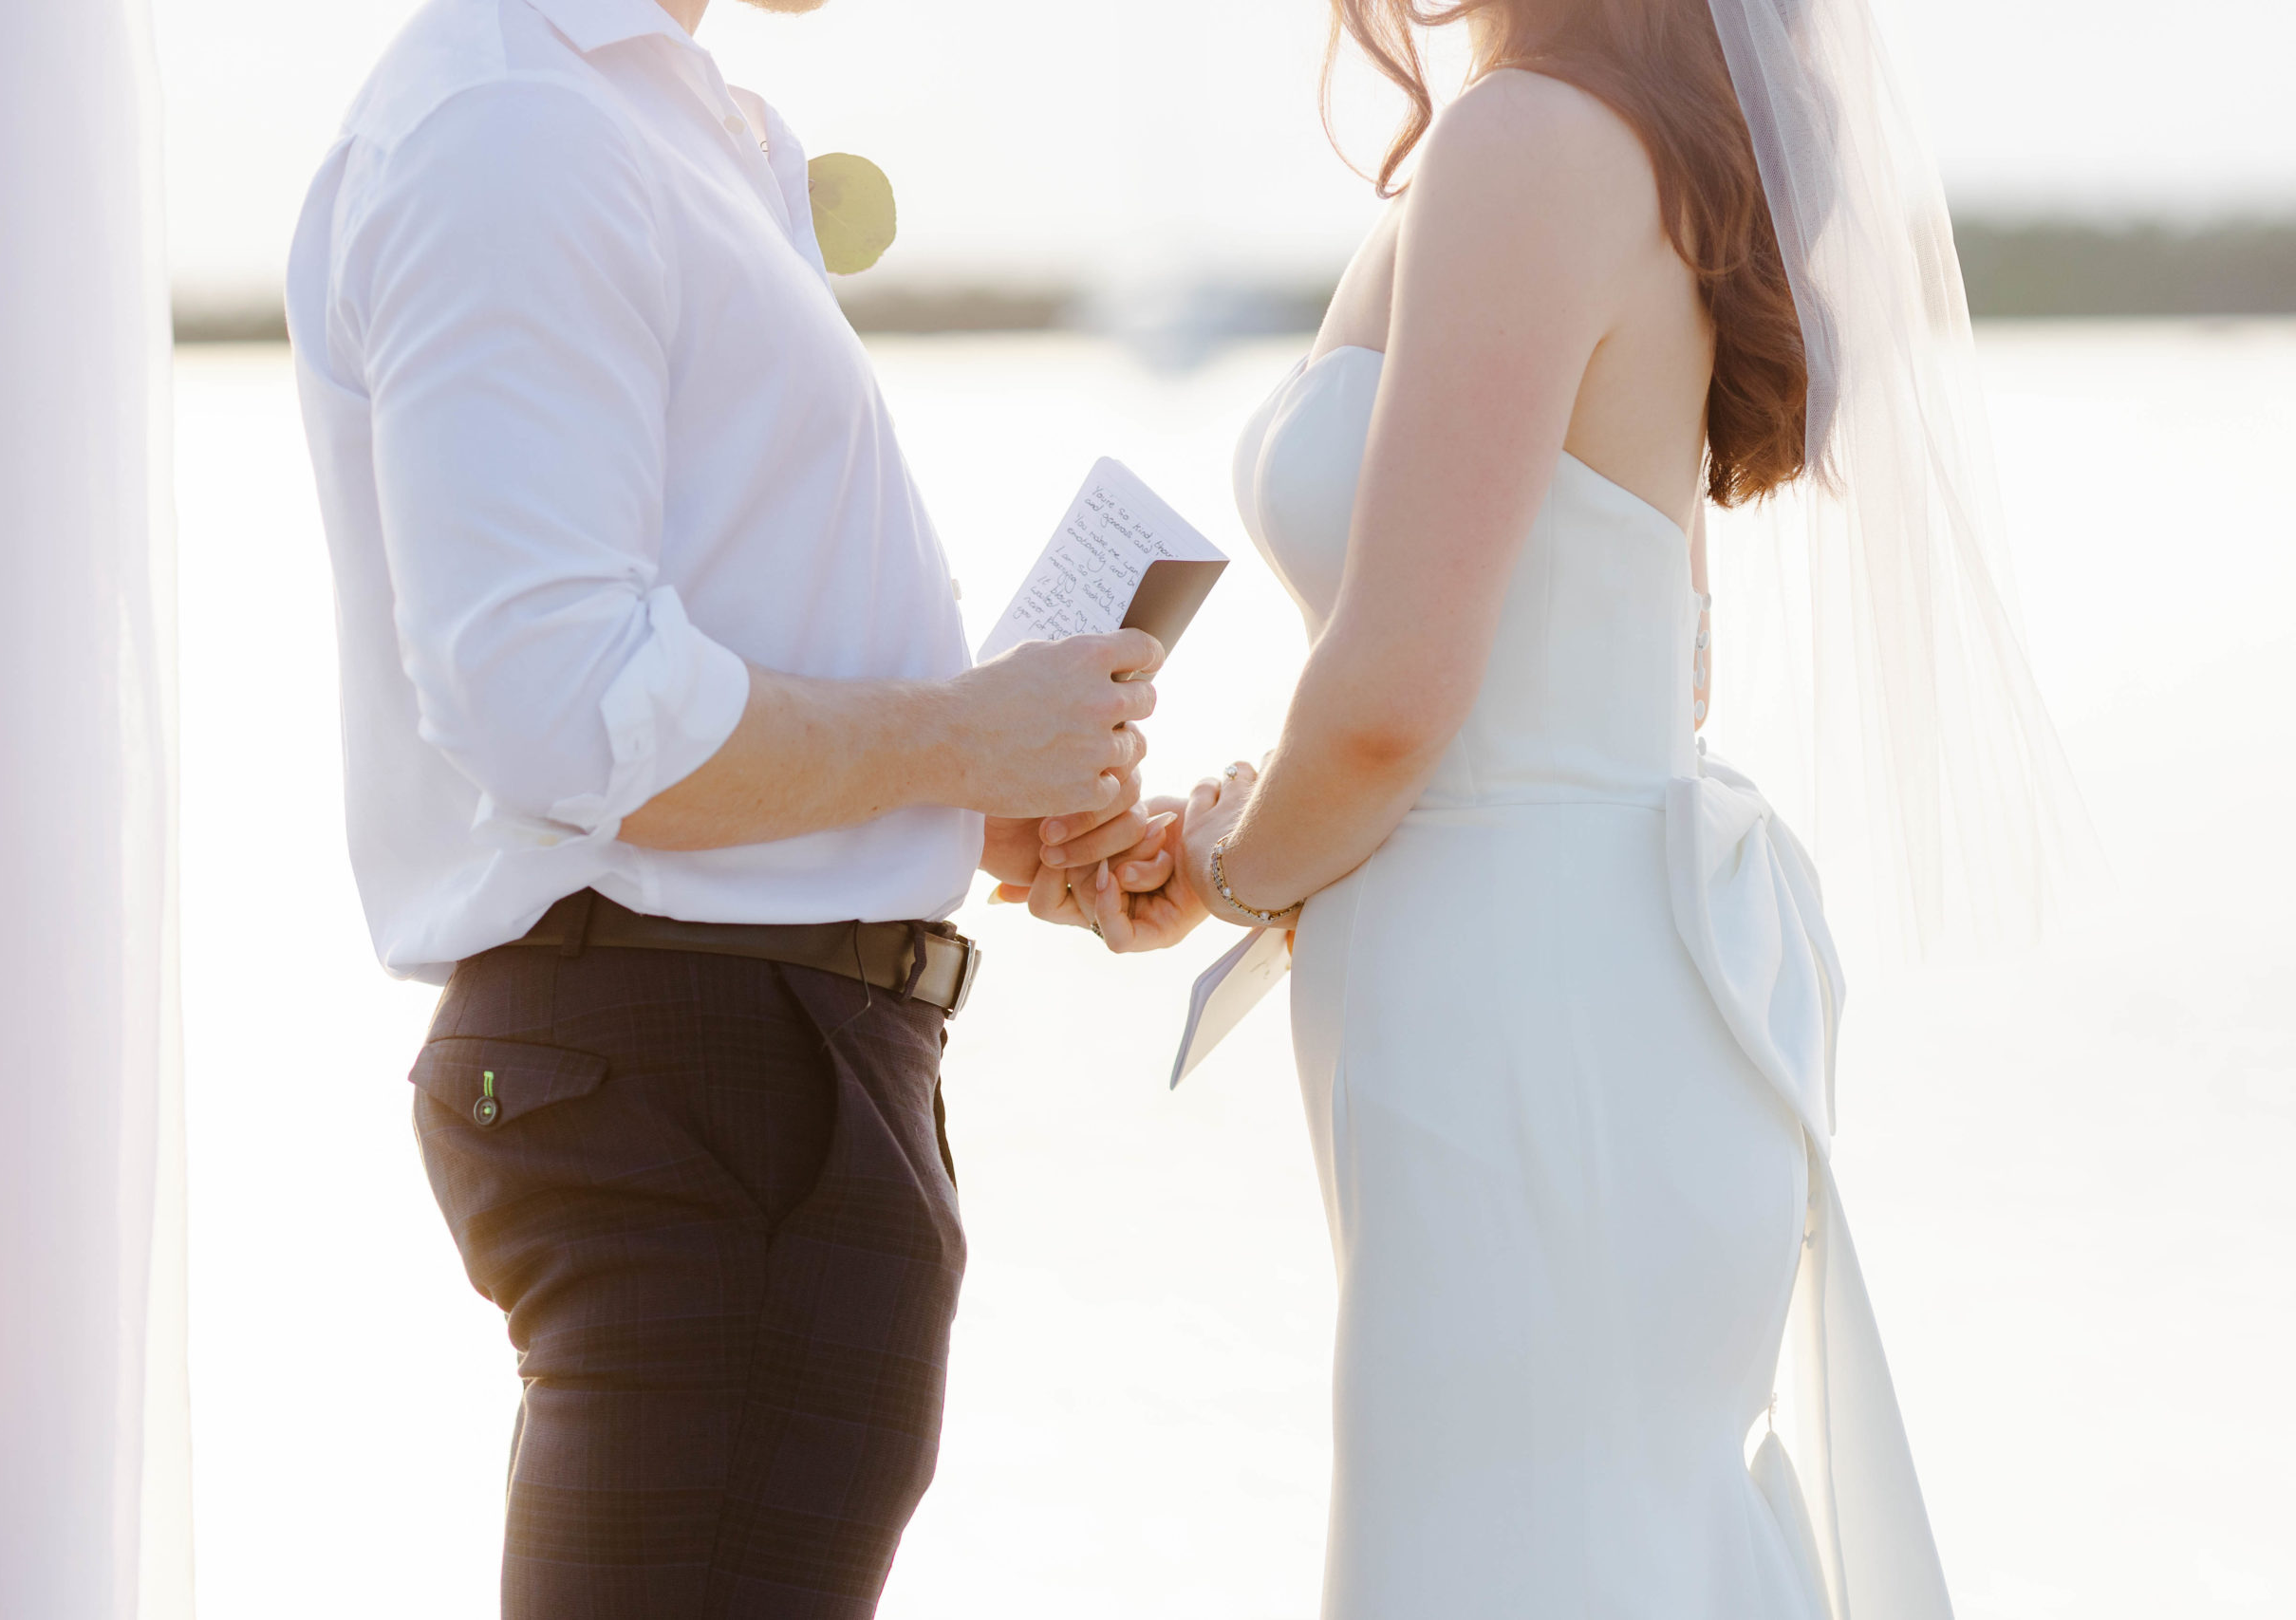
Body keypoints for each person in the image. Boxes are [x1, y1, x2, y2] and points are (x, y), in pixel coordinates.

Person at [1036, 0, 2081, 1613]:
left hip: (1515, 1041)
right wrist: (1245, 827)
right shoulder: (1631, 154)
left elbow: (1394, 711)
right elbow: (1626, 673)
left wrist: (1230, 875)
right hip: (1609, 990)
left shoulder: (1527, 145)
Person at [285, 0, 1162, 1613]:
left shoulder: (652, 122)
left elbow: (648, 675)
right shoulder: (515, 123)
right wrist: (959, 743)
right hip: (703, 1067)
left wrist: (973, 800)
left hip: (746, 1061)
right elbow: (561, 709)